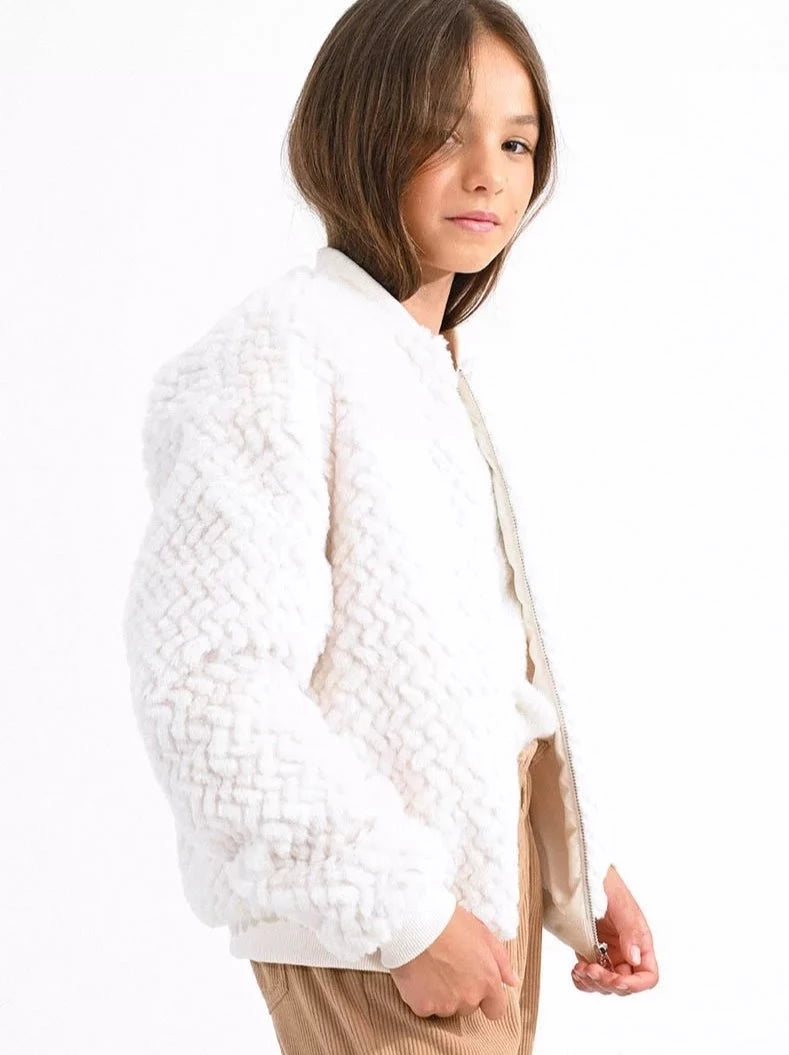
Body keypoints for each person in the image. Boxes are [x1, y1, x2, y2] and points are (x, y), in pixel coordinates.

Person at [122, 1, 658, 1051]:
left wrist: (575, 872)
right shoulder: (278, 353)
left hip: (469, 892)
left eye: (516, 144)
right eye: (444, 133)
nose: (489, 174)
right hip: (375, 923)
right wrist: (407, 914)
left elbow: (467, 678)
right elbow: (208, 686)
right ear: (359, 131)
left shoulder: (420, 363)